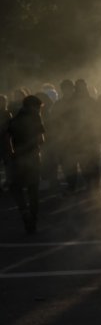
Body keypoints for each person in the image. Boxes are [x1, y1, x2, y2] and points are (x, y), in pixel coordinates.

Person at [6, 95, 46, 233]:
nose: (39, 110)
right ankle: (33, 218)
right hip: (33, 157)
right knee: (33, 189)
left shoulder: (14, 119)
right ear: (33, 106)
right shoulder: (35, 118)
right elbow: (41, 139)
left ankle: (24, 211)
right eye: (39, 107)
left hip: (18, 158)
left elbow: (8, 138)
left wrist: (13, 152)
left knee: (16, 187)